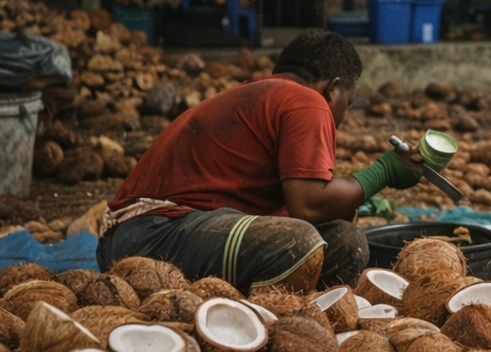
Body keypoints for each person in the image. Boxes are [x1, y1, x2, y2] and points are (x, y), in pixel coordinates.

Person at [97, 29, 423, 292]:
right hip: (150, 233)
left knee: (344, 242)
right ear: (333, 88)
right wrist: (383, 172)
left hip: (147, 236)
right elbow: (308, 205)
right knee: (299, 241)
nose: (343, 116)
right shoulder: (307, 101)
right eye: (347, 103)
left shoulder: (264, 94)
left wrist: (352, 200)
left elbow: (303, 210)